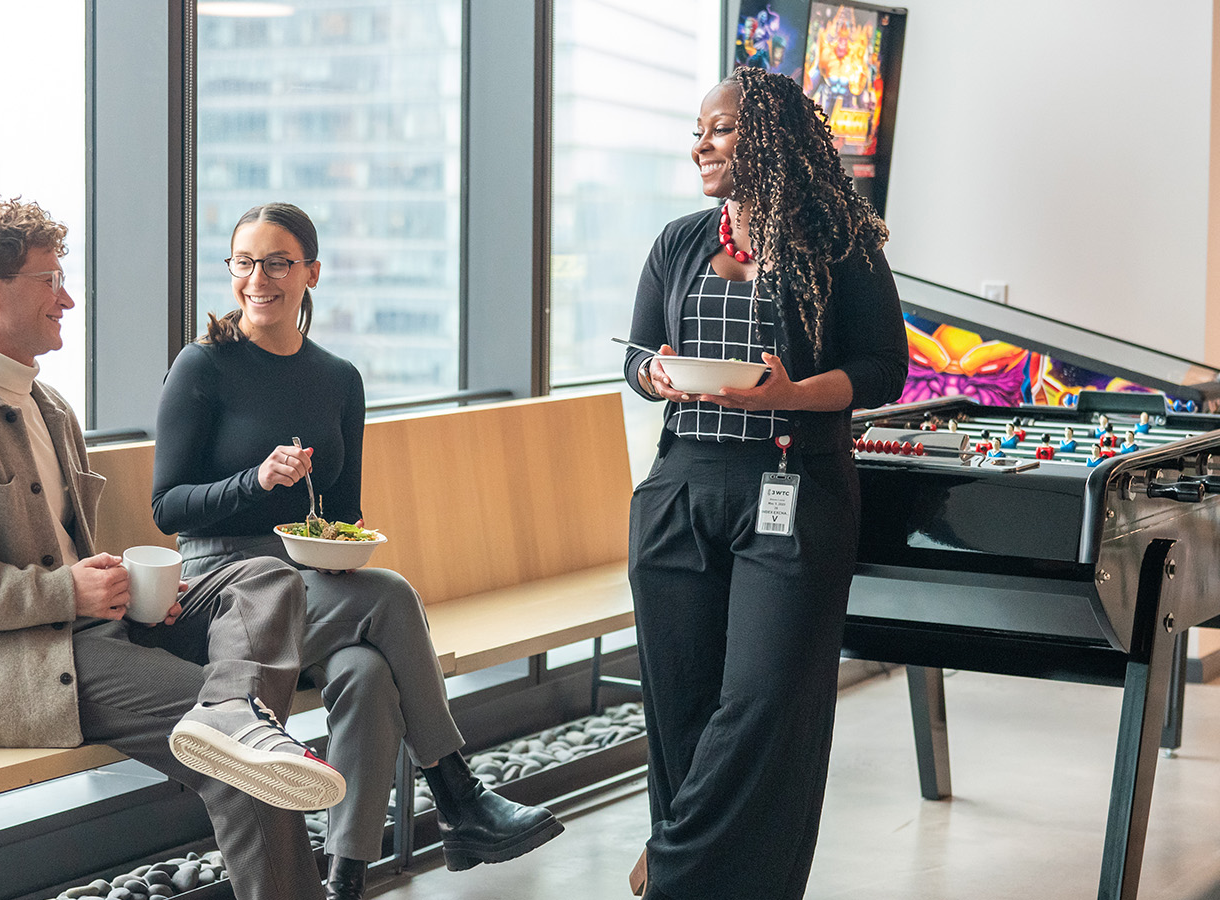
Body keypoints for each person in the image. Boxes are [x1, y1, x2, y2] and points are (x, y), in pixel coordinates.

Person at [0, 197, 343, 900]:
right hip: (18, 661)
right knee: (244, 760)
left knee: (267, 578)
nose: (67, 298)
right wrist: (68, 592)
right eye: (48, 281)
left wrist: (115, 584)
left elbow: (60, 552)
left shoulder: (49, 407)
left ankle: (239, 720)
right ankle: (242, 729)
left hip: (88, 631)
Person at [151, 202, 564, 900]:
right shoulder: (204, 366)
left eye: (279, 262)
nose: (260, 278)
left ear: (312, 272)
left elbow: (343, 514)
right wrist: (255, 480)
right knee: (395, 597)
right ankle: (458, 794)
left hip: (309, 585)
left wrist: (339, 544)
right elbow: (168, 508)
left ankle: (345, 881)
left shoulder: (339, 379)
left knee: (368, 673)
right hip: (225, 588)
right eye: (245, 262)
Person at [621, 67, 907, 900]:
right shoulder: (678, 241)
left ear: (768, 139)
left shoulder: (840, 242)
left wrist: (792, 394)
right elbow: (638, 356)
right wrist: (658, 377)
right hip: (680, 490)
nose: (699, 145)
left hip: (795, 483)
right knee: (679, 710)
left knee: (764, 703)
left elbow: (885, 368)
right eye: (698, 130)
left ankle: (672, 868)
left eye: (718, 130)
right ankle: (691, 867)